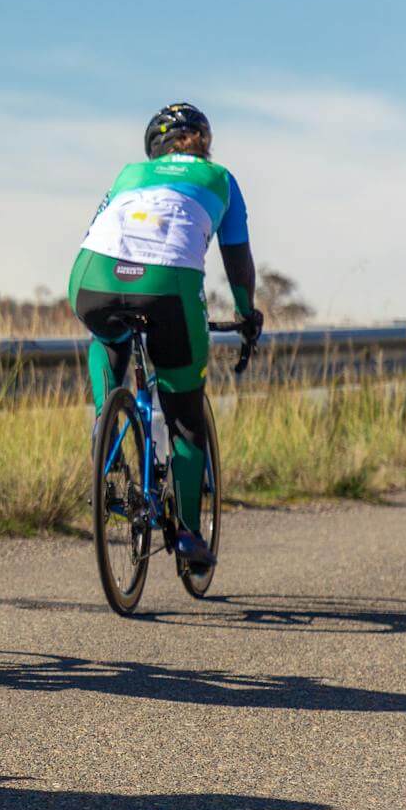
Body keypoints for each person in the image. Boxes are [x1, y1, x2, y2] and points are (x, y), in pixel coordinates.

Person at [68, 103, 261, 568]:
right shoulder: (222, 179)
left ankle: (105, 422)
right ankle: (191, 536)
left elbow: (100, 227)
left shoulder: (129, 173)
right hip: (167, 289)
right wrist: (246, 314)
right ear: (204, 142)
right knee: (185, 416)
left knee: (107, 339)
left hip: (92, 279)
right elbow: (238, 262)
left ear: (153, 148)